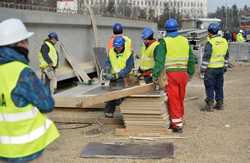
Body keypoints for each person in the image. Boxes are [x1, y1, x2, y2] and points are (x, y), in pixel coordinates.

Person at [0, 18, 59, 162]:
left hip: (4, 149)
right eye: (26, 41)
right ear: (19, 43)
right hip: (26, 149)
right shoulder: (22, 73)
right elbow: (47, 104)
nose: (27, 45)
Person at [152, 18, 195, 133]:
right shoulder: (184, 41)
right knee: (180, 97)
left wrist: (155, 75)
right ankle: (179, 119)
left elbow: (159, 61)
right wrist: (190, 72)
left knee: (173, 99)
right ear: (177, 28)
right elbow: (191, 58)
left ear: (166, 30)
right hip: (183, 73)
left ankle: (176, 125)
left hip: (171, 74)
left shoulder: (164, 42)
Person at [200, 23, 229, 112]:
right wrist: (225, 66)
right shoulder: (224, 41)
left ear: (209, 32)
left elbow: (206, 57)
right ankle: (220, 104)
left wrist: (202, 70)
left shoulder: (210, 43)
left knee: (209, 86)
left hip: (210, 69)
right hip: (220, 68)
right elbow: (226, 55)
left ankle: (209, 105)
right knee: (219, 86)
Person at [104, 36, 134, 118]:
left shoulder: (129, 53)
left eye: (119, 47)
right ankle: (108, 113)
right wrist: (107, 71)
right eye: (116, 47)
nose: (117, 49)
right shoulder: (111, 52)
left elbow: (128, 68)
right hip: (113, 78)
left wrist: (118, 75)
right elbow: (108, 62)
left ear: (123, 45)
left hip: (125, 78)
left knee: (125, 97)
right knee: (112, 95)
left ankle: (127, 115)